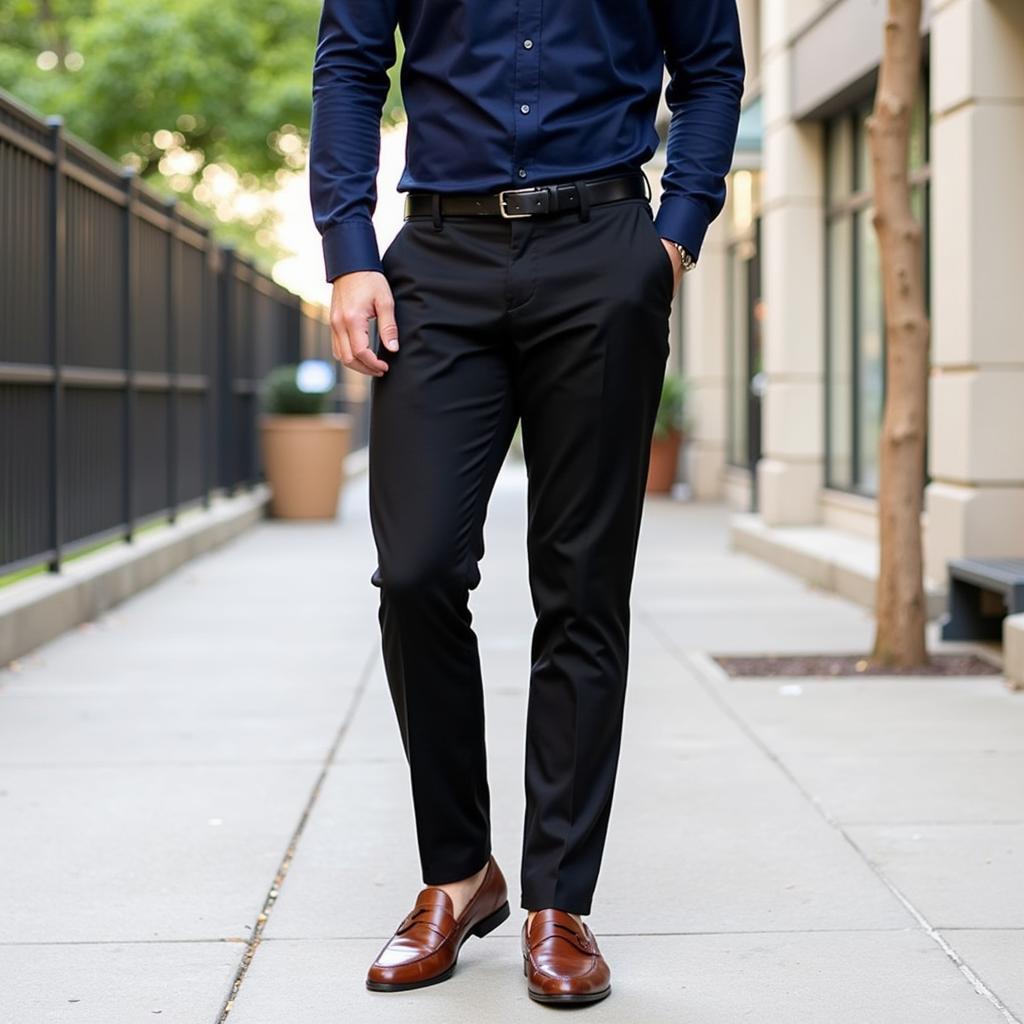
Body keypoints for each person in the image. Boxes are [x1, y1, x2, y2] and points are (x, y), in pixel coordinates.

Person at [309, 0, 744, 1006]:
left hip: (603, 248)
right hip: (436, 259)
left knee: (583, 585)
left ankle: (559, 900)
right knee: (415, 569)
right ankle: (460, 874)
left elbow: (711, 69)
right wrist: (348, 249)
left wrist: (673, 235)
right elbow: (348, 68)